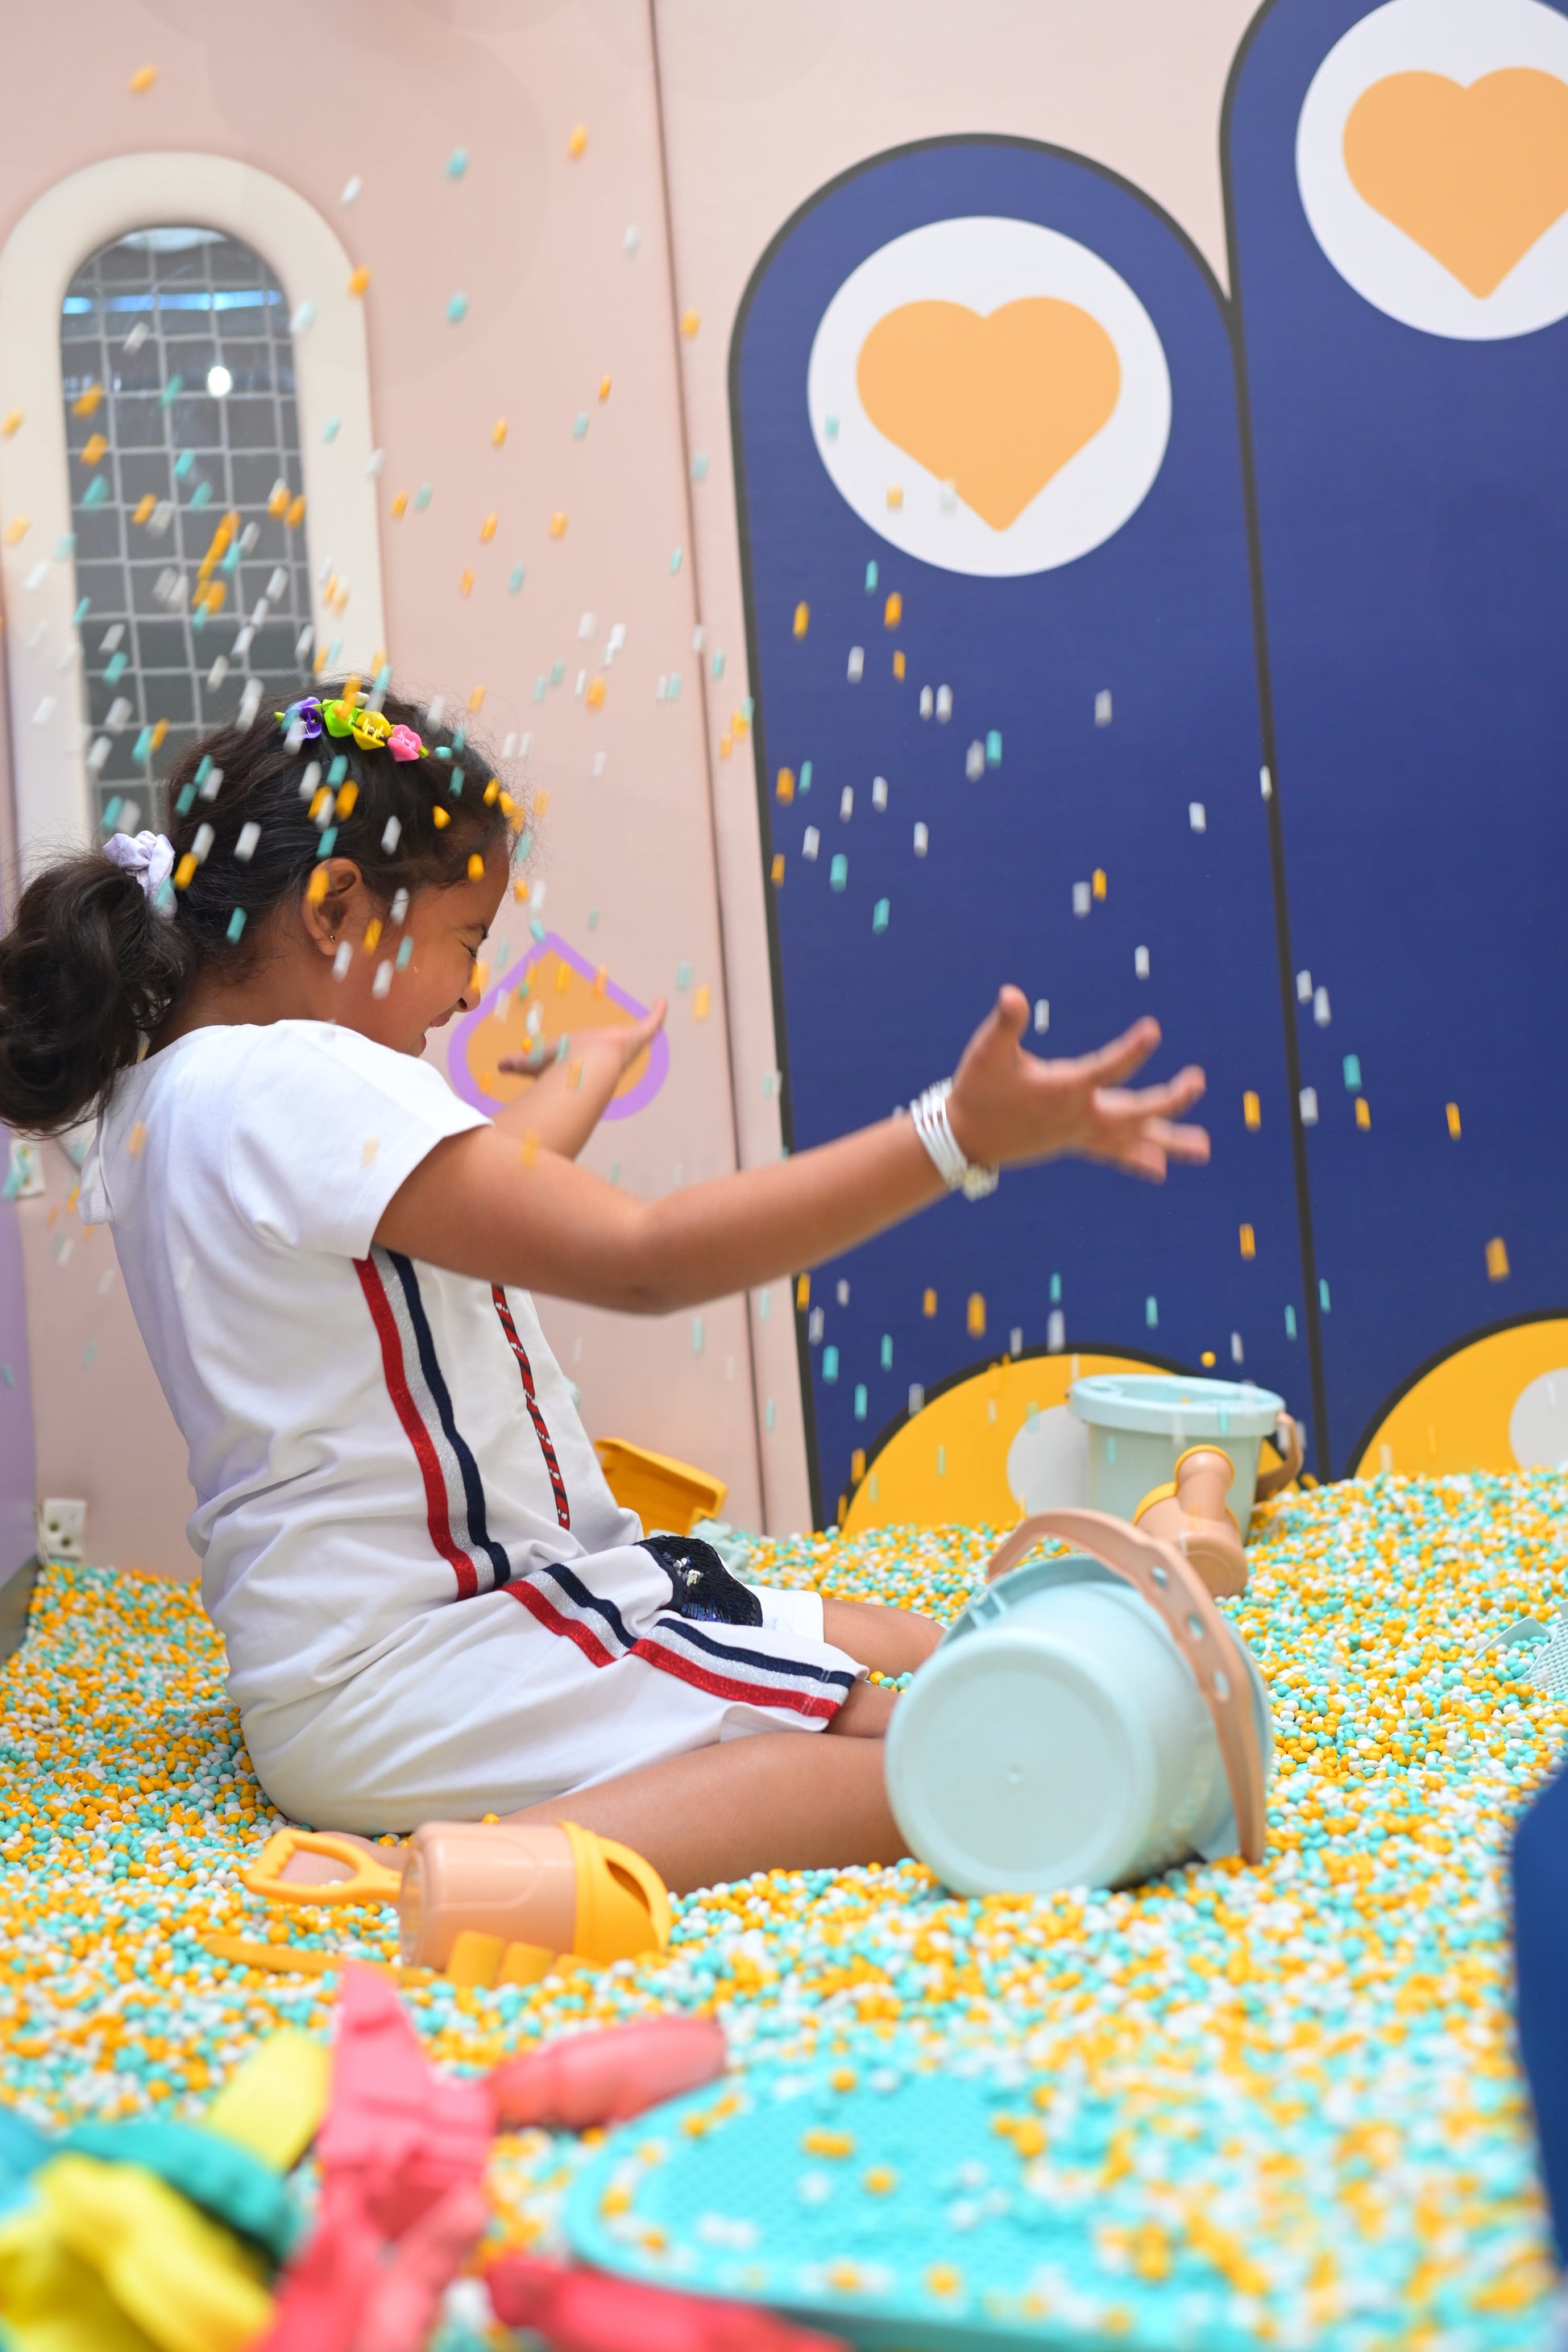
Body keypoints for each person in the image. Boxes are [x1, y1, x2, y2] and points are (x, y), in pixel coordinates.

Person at [0, 688, 1209, 1892]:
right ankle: (498, 1872)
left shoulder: (182, 1094)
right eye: (466, 943)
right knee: (925, 1752)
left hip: (377, 1662)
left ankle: (603, 1778)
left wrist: (586, 1071)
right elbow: (640, 1259)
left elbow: (472, 1209)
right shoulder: (294, 1078)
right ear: (336, 909)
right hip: (427, 1662)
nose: (471, 993)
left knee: (886, 1638)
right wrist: (955, 1133)